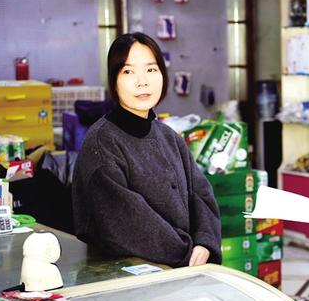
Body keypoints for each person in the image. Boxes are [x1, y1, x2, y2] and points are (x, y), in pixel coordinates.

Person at [72, 32, 221, 267]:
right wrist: (187, 254)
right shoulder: (102, 144)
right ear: (113, 80)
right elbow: (127, 223)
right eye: (128, 72)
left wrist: (205, 243)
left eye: (151, 69)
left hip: (182, 270)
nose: (142, 81)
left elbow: (201, 194)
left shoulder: (169, 137)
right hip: (125, 276)